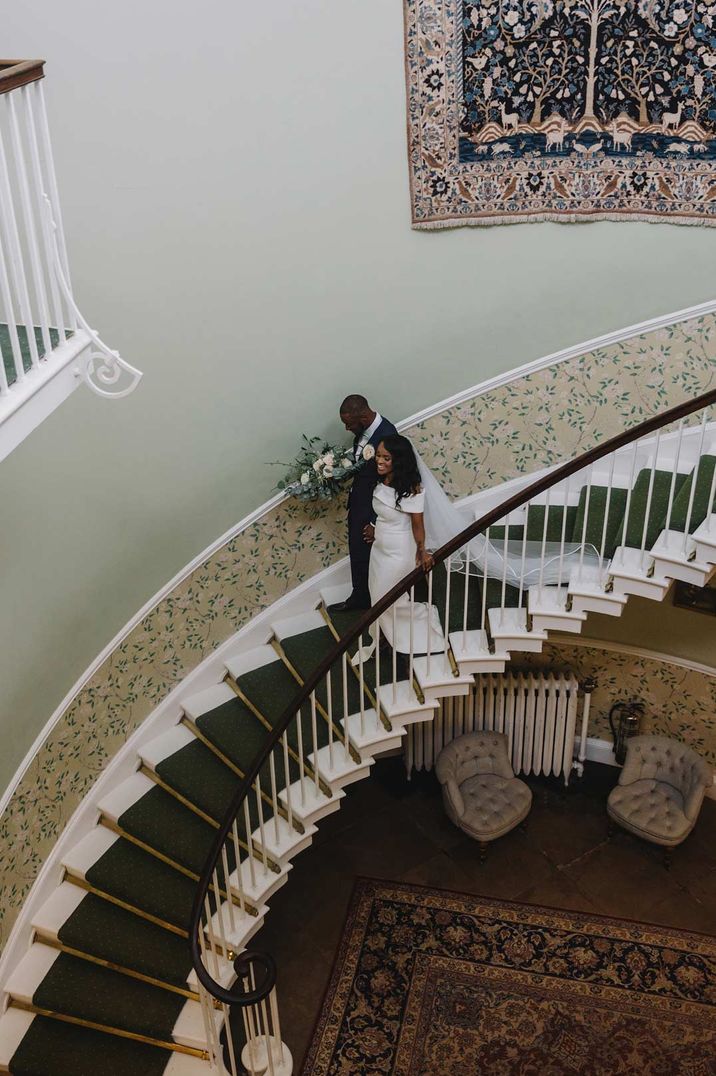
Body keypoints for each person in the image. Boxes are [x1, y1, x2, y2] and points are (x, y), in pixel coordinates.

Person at [355, 434, 444, 660]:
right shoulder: (382, 480)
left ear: (399, 460)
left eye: (387, 457)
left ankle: (405, 632)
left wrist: (422, 551)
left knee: (387, 599)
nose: (380, 461)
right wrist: (377, 529)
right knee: (377, 595)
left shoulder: (412, 489)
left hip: (398, 553)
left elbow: (417, 525)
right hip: (380, 551)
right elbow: (389, 514)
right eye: (378, 456)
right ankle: (384, 637)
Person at [329, 395, 396, 612]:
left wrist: (375, 522)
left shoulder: (388, 435)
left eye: (349, 424)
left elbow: (391, 482)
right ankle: (360, 597)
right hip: (358, 506)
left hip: (373, 511)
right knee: (358, 555)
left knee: (371, 559)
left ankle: (373, 603)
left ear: (364, 418)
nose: (347, 428)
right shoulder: (362, 434)